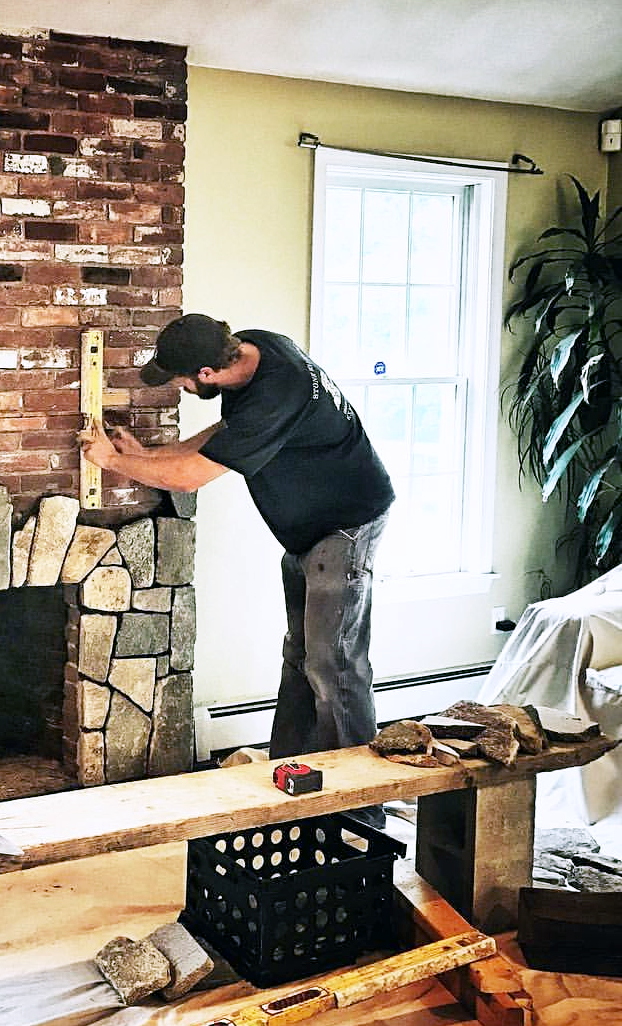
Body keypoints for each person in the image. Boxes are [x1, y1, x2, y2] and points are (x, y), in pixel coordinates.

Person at [80, 313, 394, 829]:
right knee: (302, 658)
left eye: (182, 381)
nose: (180, 389)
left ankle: (360, 813)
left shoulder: (278, 393)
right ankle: (288, 783)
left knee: (335, 667)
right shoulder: (256, 346)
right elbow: (224, 435)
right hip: (309, 531)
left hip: (346, 525)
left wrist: (112, 462)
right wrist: (150, 455)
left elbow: (189, 478)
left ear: (206, 373)